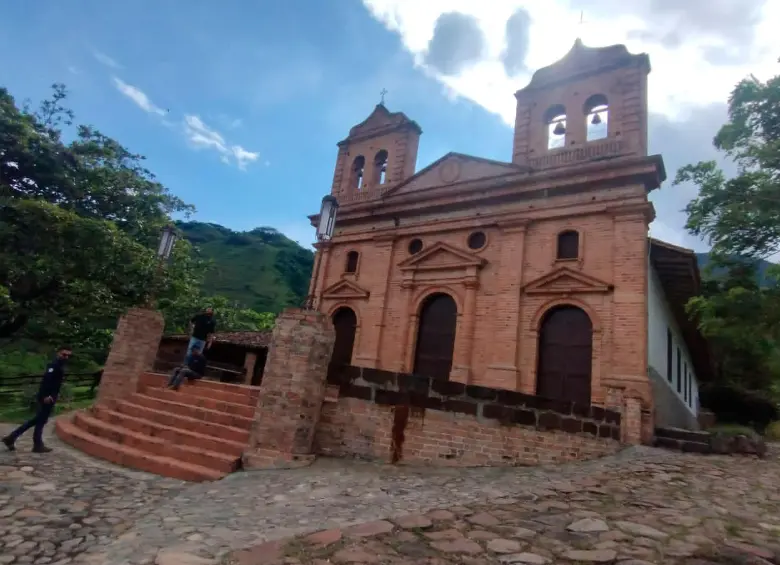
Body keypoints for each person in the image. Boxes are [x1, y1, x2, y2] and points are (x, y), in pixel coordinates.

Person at [2, 346, 72, 453]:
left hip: (50, 397)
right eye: (64, 354)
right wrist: (46, 396)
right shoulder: (54, 366)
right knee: (40, 421)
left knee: (37, 420)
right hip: (46, 398)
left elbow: (55, 384)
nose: (66, 357)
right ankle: (36, 444)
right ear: (58, 353)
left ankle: (12, 438)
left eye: (68, 355)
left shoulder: (59, 366)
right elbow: (47, 382)